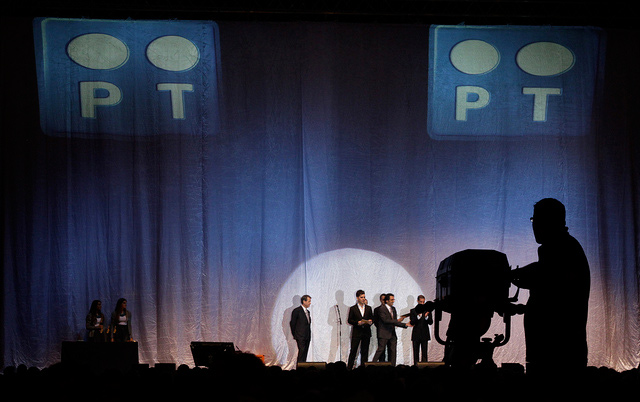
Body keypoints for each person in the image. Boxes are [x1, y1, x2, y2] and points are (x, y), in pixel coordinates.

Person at [511, 198, 590, 375]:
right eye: (533, 220)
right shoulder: (565, 247)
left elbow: (544, 276)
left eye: (537, 220)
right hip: (555, 353)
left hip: (556, 355)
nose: (534, 226)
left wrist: (512, 275)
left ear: (552, 221)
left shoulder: (562, 249)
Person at [372, 293, 410, 366]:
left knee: (393, 351)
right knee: (380, 350)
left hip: (392, 333)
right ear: (387, 301)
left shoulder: (393, 309)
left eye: (393, 299)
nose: (393, 301)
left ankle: (392, 367)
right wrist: (398, 321)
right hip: (384, 333)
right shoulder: (381, 309)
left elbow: (394, 322)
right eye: (392, 300)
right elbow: (385, 320)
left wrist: (405, 325)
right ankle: (371, 366)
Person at [347, 290, 374, 369]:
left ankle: (363, 368)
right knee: (353, 350)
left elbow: (372, 318)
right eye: (361, 297)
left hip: (366, 332)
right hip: (357, 332)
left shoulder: (368, 308)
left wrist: (370, 321)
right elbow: (349, 320)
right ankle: (349, 368)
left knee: (365, 351)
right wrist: (357, 322)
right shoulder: (353, 308)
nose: (363, 299)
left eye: (364, 297)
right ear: (357, 298)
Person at [409, 295, 433, 364]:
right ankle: (415, 367)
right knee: (416, 353)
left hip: (425, 334)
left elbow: (430, 322)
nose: (422, 303)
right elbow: (412, 322)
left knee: (424, 353)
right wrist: (418, 316)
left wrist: (426, 317)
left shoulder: (427, 311)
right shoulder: (413, 310)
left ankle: (424, 367)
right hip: (416, 335)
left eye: (423, 302)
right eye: (421, 302)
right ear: (417, 301)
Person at [290, 295, 312, 363]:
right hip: (300, 336)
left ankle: (303, 366)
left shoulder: (308, 312)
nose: (310, 303)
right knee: (301, 352)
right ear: (304, 301)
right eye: (309, 301)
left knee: (305, 352)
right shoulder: (297, 311)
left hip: (307, 336)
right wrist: (295, 335)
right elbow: (292, 324)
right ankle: (299, 367)